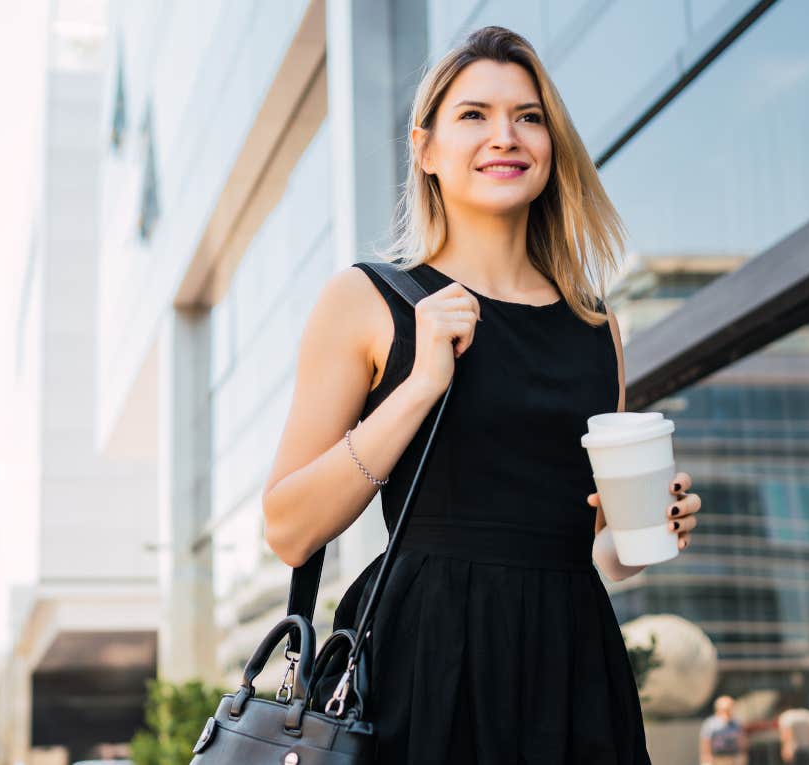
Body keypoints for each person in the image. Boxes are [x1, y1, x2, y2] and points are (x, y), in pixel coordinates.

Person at [260, 24, 704, 764]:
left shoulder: (596, 326)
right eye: (474, 115)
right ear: (426, 149)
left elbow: (595, 555)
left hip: (573, 665)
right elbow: (289, 529)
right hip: (425, 663)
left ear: (551, 145)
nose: (506, 135)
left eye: (528, 117)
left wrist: (646, 529)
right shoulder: (368, 300)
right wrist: (419, 387)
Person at [699, 695, 747, 765]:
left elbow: (741, 741)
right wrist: (706, 759)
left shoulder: (736, 723)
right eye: (726, 709)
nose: (728, 712)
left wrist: (742, 756)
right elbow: (706, 743)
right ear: (718, 709)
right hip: (716, 758)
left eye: (730, 709)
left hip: (732, 758)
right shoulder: (711, 724)